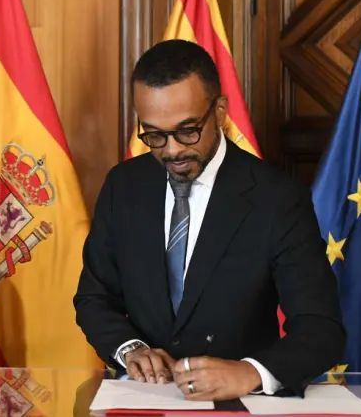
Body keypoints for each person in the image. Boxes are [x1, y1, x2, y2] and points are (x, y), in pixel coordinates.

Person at [74, 39, 345, 401]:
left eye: (188, 130)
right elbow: (94, 298)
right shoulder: (123, 186)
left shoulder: (277, 198)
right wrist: (131, 349)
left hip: (240, 403)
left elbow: (321, 328)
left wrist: (249, 372)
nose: (171, 150)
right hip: (143, 399)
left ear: (219, 111)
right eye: (154, 135)